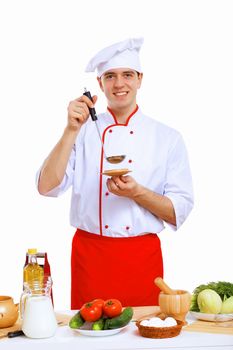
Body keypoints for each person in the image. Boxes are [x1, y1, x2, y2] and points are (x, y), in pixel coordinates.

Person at [36, 37, 194, 309]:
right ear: (100, 84)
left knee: (144, 336)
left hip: (141, 259)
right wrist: (70, 131)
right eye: (110, 76)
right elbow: (46, 187)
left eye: (127, 75)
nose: (119, 84)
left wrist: (138, 193)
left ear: (140, 79)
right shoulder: (81, 132)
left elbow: (177, 211)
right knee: (88, 337)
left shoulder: (168, 138)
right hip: (90, 257)